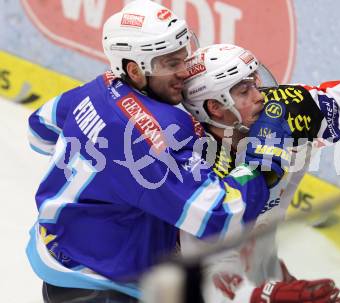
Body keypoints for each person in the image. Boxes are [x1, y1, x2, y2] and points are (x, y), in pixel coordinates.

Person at [25, 1, 282, 302]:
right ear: (134, 70)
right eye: (170, 64)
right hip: (101, 284)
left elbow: (39, 130)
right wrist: (260, 163)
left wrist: (110, 176)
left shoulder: (101, 86)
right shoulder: (158, 135)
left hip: (58, 249)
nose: (185, 72)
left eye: (183, 58)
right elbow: (221, 217)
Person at [181, 43, 340, 303]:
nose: (260, 96)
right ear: (215, 107)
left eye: (254, 82)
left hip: (260, 270)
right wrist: (262, 297)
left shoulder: (288, 110)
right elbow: (203, 271)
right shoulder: (193, 166)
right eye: (243, 90)